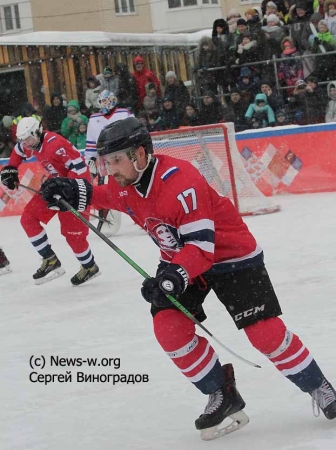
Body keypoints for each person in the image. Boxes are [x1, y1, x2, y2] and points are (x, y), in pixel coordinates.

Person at [40, 117, 336, 438]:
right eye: (105, 161)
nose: (110, 169)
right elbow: (108, 196)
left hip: (230, 256)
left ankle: (318, 385)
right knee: (168, 327)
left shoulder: (180, 182)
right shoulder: (127, 183)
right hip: (180, 262)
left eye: (116, 161)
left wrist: (168, 281)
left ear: (140, 155)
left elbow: (200, 249)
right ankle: (222, 393)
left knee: (264, 333)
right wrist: (71, 189)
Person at [0, 117, 100, 286]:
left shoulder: (56, 145)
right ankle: (50, 259)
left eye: (29, 139)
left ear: (38, 132)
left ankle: (89, 267)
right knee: (28, 219)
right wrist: (11, 168)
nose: (26, 144)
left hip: (75, 191)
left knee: (73, 235)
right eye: (24, 140)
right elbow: (18, 151)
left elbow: (81, 169)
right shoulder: (32, 143)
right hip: (53, 187)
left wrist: (70, 190)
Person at [85, 90, 134, 236]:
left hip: (125, 158)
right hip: (105, 162)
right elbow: (91, 145)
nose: (104, 105)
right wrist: (90, 161)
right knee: (107, 190)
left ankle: (146, 215)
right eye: (102, 102)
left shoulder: (125, 114)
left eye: (106, 102)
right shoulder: (94, 119)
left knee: (134, 188)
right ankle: (106, 223)